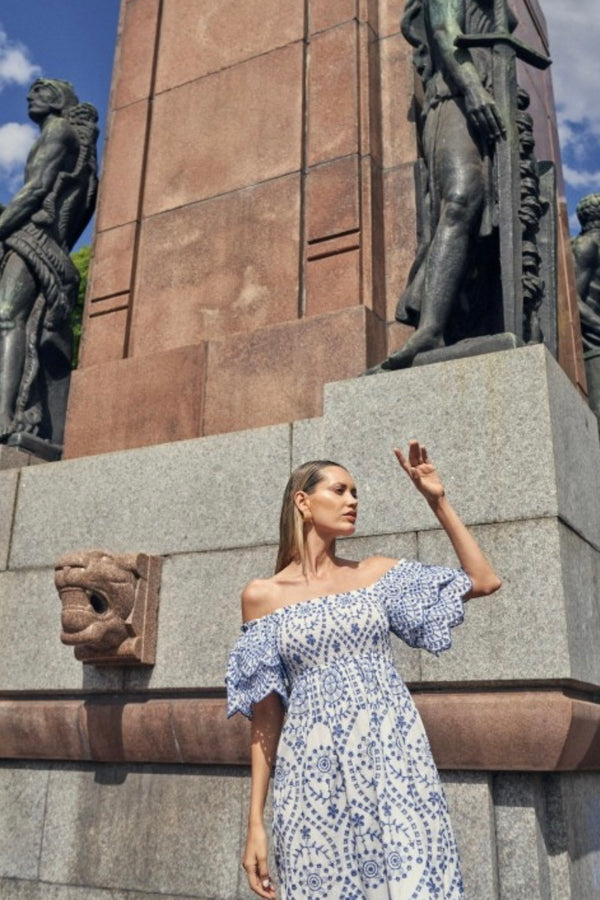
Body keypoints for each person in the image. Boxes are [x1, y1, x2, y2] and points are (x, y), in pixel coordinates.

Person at [226, 441, 501, 898]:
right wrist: (256, 822)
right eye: (340, 490)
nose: (353, 500)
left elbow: (482, 580)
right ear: (303, 501)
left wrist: (437, 500)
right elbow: (266, 714)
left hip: (392, 762)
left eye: (356, 492)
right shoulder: (262, 596)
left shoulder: (375, 575)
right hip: (310, 776)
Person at [371, 0, 514, 372]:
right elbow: (443, 31)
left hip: (493, 98)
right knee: (461, 199)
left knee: (483, 213)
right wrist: (474, 90)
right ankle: (430, 327)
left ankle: (457, 322)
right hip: (457, 96)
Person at [0, 78, 98, 445]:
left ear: (58, 100)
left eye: (39, 90)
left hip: (35, 240)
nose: (29, 95)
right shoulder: (61, 134)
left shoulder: (58, 130)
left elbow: (38, 188)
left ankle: (5, 415)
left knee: (8, 317)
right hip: (34, 238)